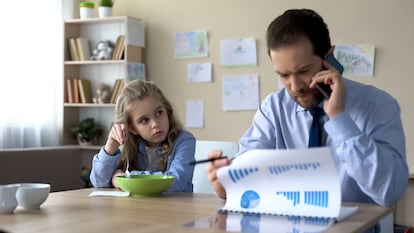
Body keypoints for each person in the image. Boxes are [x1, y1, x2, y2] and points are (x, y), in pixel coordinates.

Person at [207, 9, 408, 207]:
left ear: (329, 58)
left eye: (303, 71)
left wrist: (339, 118)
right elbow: (249, 171)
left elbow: (389, 192)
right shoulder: (273, 110)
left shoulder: (378, 106)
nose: (294, 87)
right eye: (283, 75)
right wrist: (229, 183)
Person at [90, 79, 196, 192]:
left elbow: (175, 182)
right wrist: (110, 145)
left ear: (167, 111)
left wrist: (123, 179)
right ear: (132, 128)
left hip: (176, 208)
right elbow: (98, 182)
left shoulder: (184, 140)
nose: (155, 124)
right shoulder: (131, 144)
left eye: (159, 113)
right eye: (145, 120)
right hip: (137, 208)